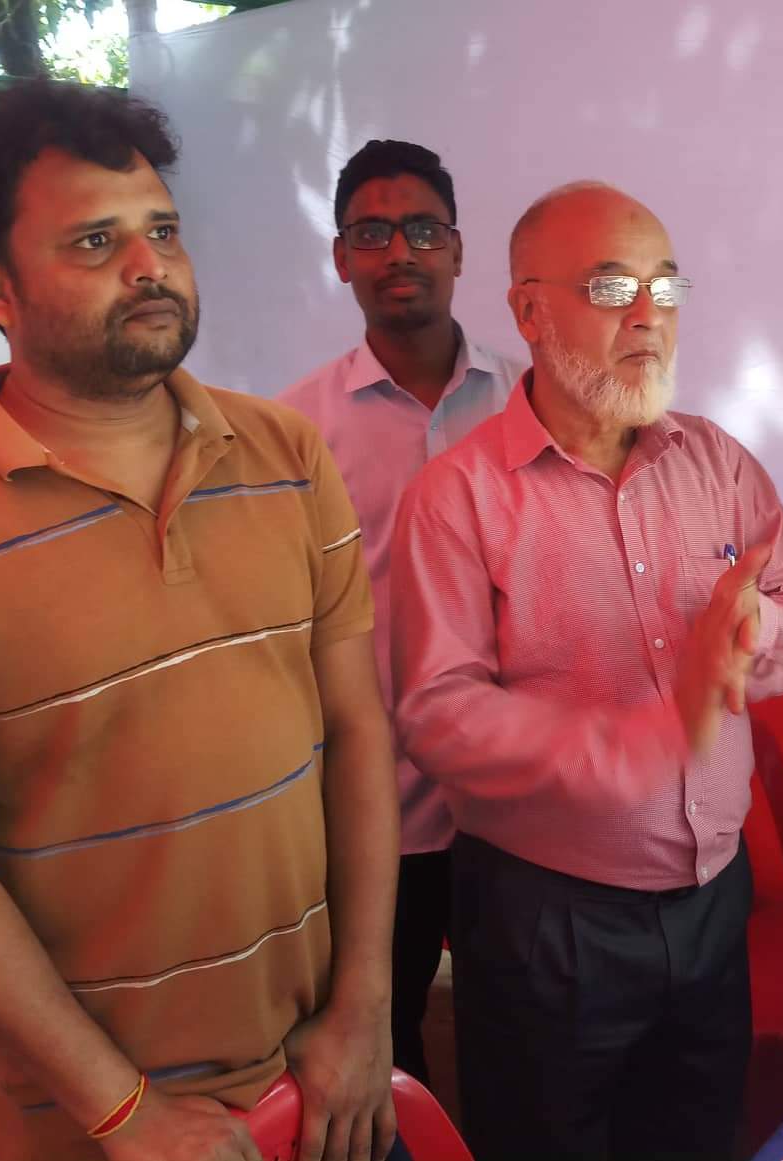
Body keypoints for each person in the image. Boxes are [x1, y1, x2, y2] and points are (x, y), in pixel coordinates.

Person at [0, 79, 402, 1161]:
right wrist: (124, 1111)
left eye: (163, 232)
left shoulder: (285, 455)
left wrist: (366, 1009)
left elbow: (358, 729)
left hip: (323, 1087)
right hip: (97, 1129)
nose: (150, 267)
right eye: (96, 241)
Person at [389, 181, 783, 1161]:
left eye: (664, 288)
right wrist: (631, 746)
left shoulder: (717, 463)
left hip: (714, 899)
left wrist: (758, 631)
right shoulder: (459, 497)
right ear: (530, 312)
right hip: (550, 920)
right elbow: (439, 716)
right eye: (610, 287)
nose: (648, 317)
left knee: (700, 1136)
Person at [279, 139, 521, 1086]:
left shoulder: (533, 402)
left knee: (528, 1033)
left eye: (422, 229)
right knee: (380, 1040)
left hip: (520, 791)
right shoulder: (294, 432)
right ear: (342, 258)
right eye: (371, 234)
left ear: (457, 249)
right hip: (377, 799)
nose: (399, 253)